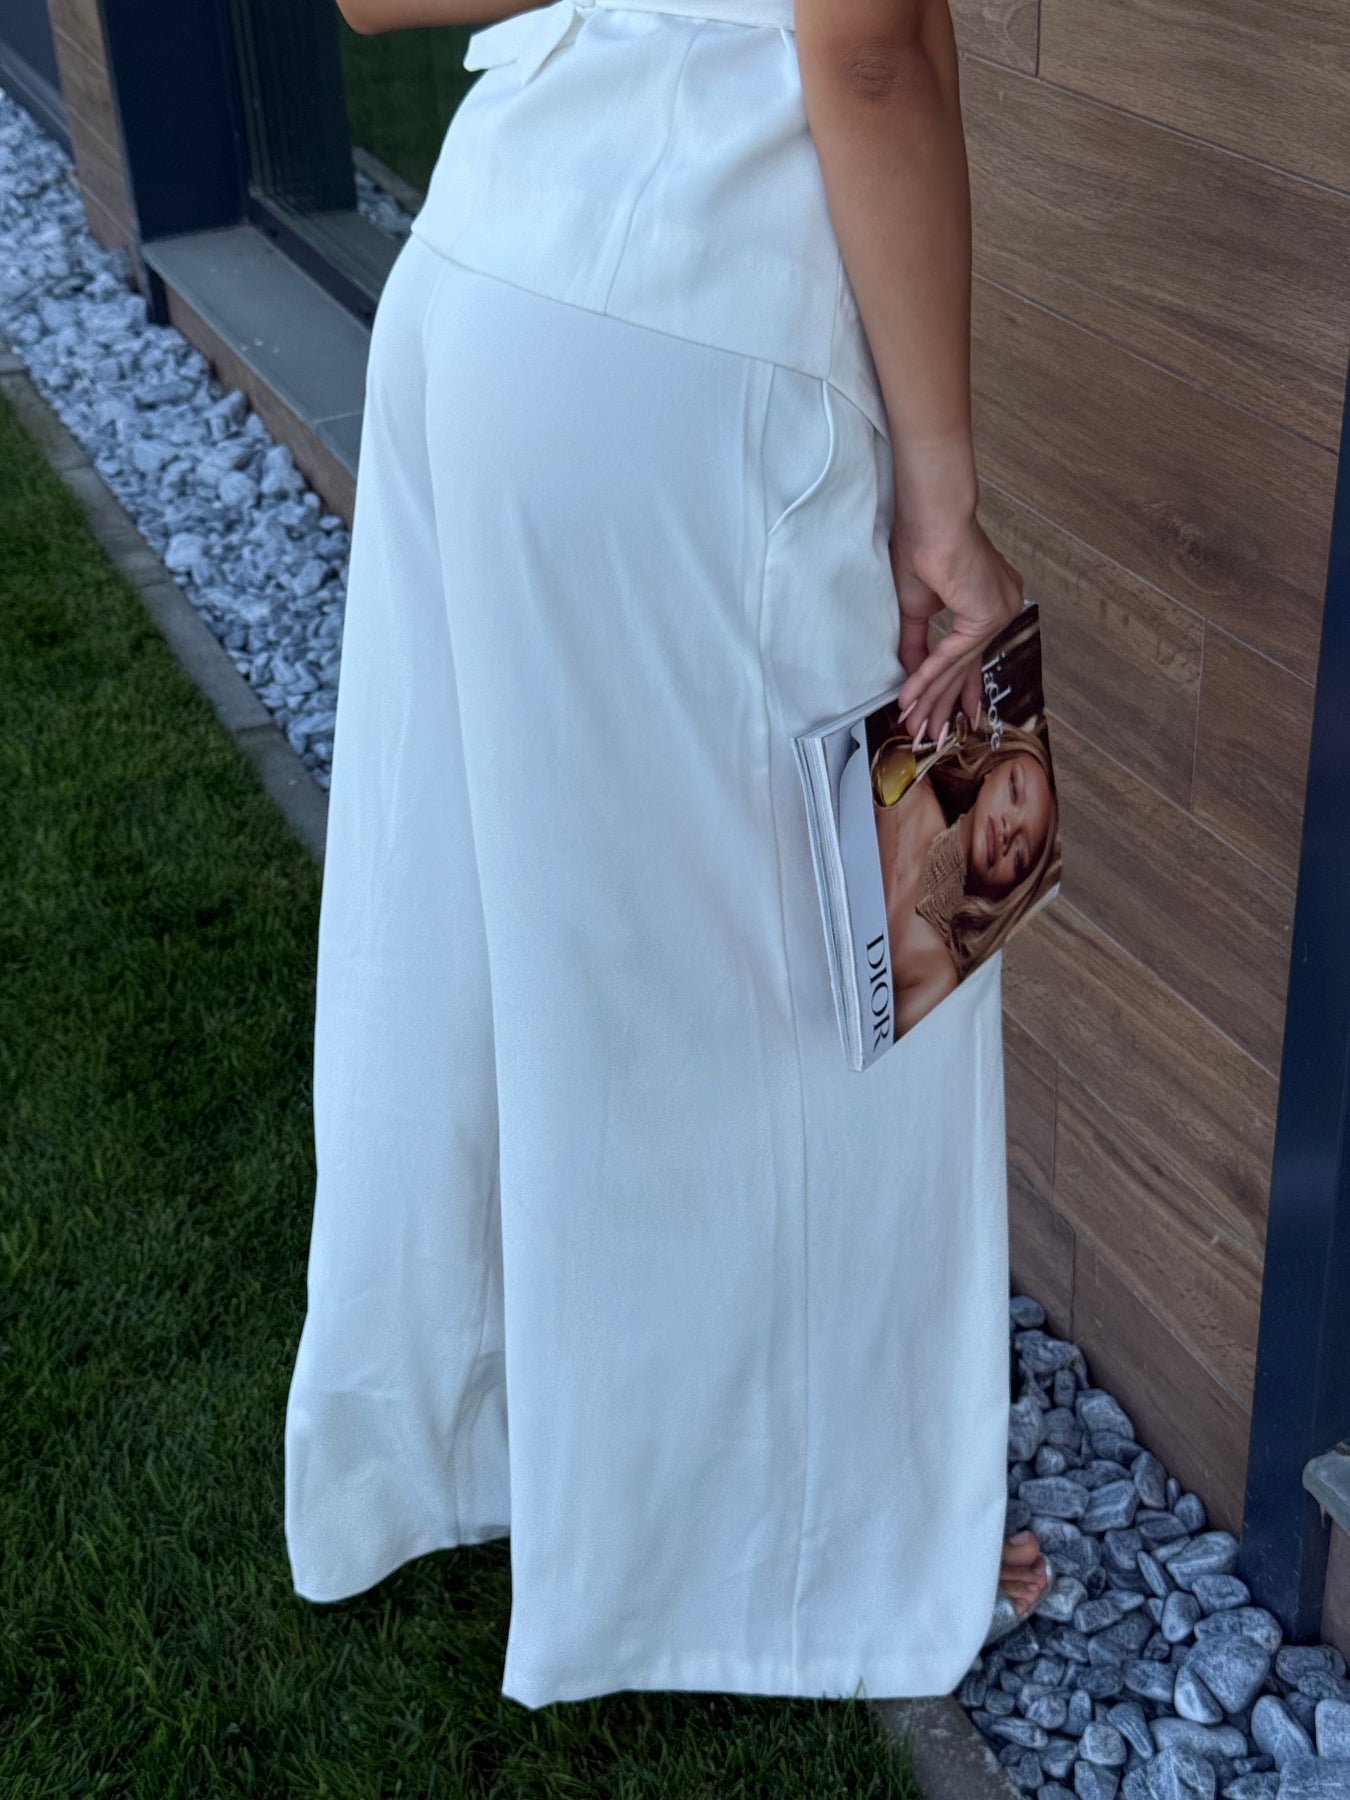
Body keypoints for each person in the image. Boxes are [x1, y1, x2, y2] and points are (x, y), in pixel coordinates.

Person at [283, 0, 1051, 1711]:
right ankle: (810, 1552)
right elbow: (870, 48)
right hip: (705, 321)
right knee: (811, 966)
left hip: (489, 264)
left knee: (460, 911)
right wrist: (937, 496)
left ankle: (461, 1440)